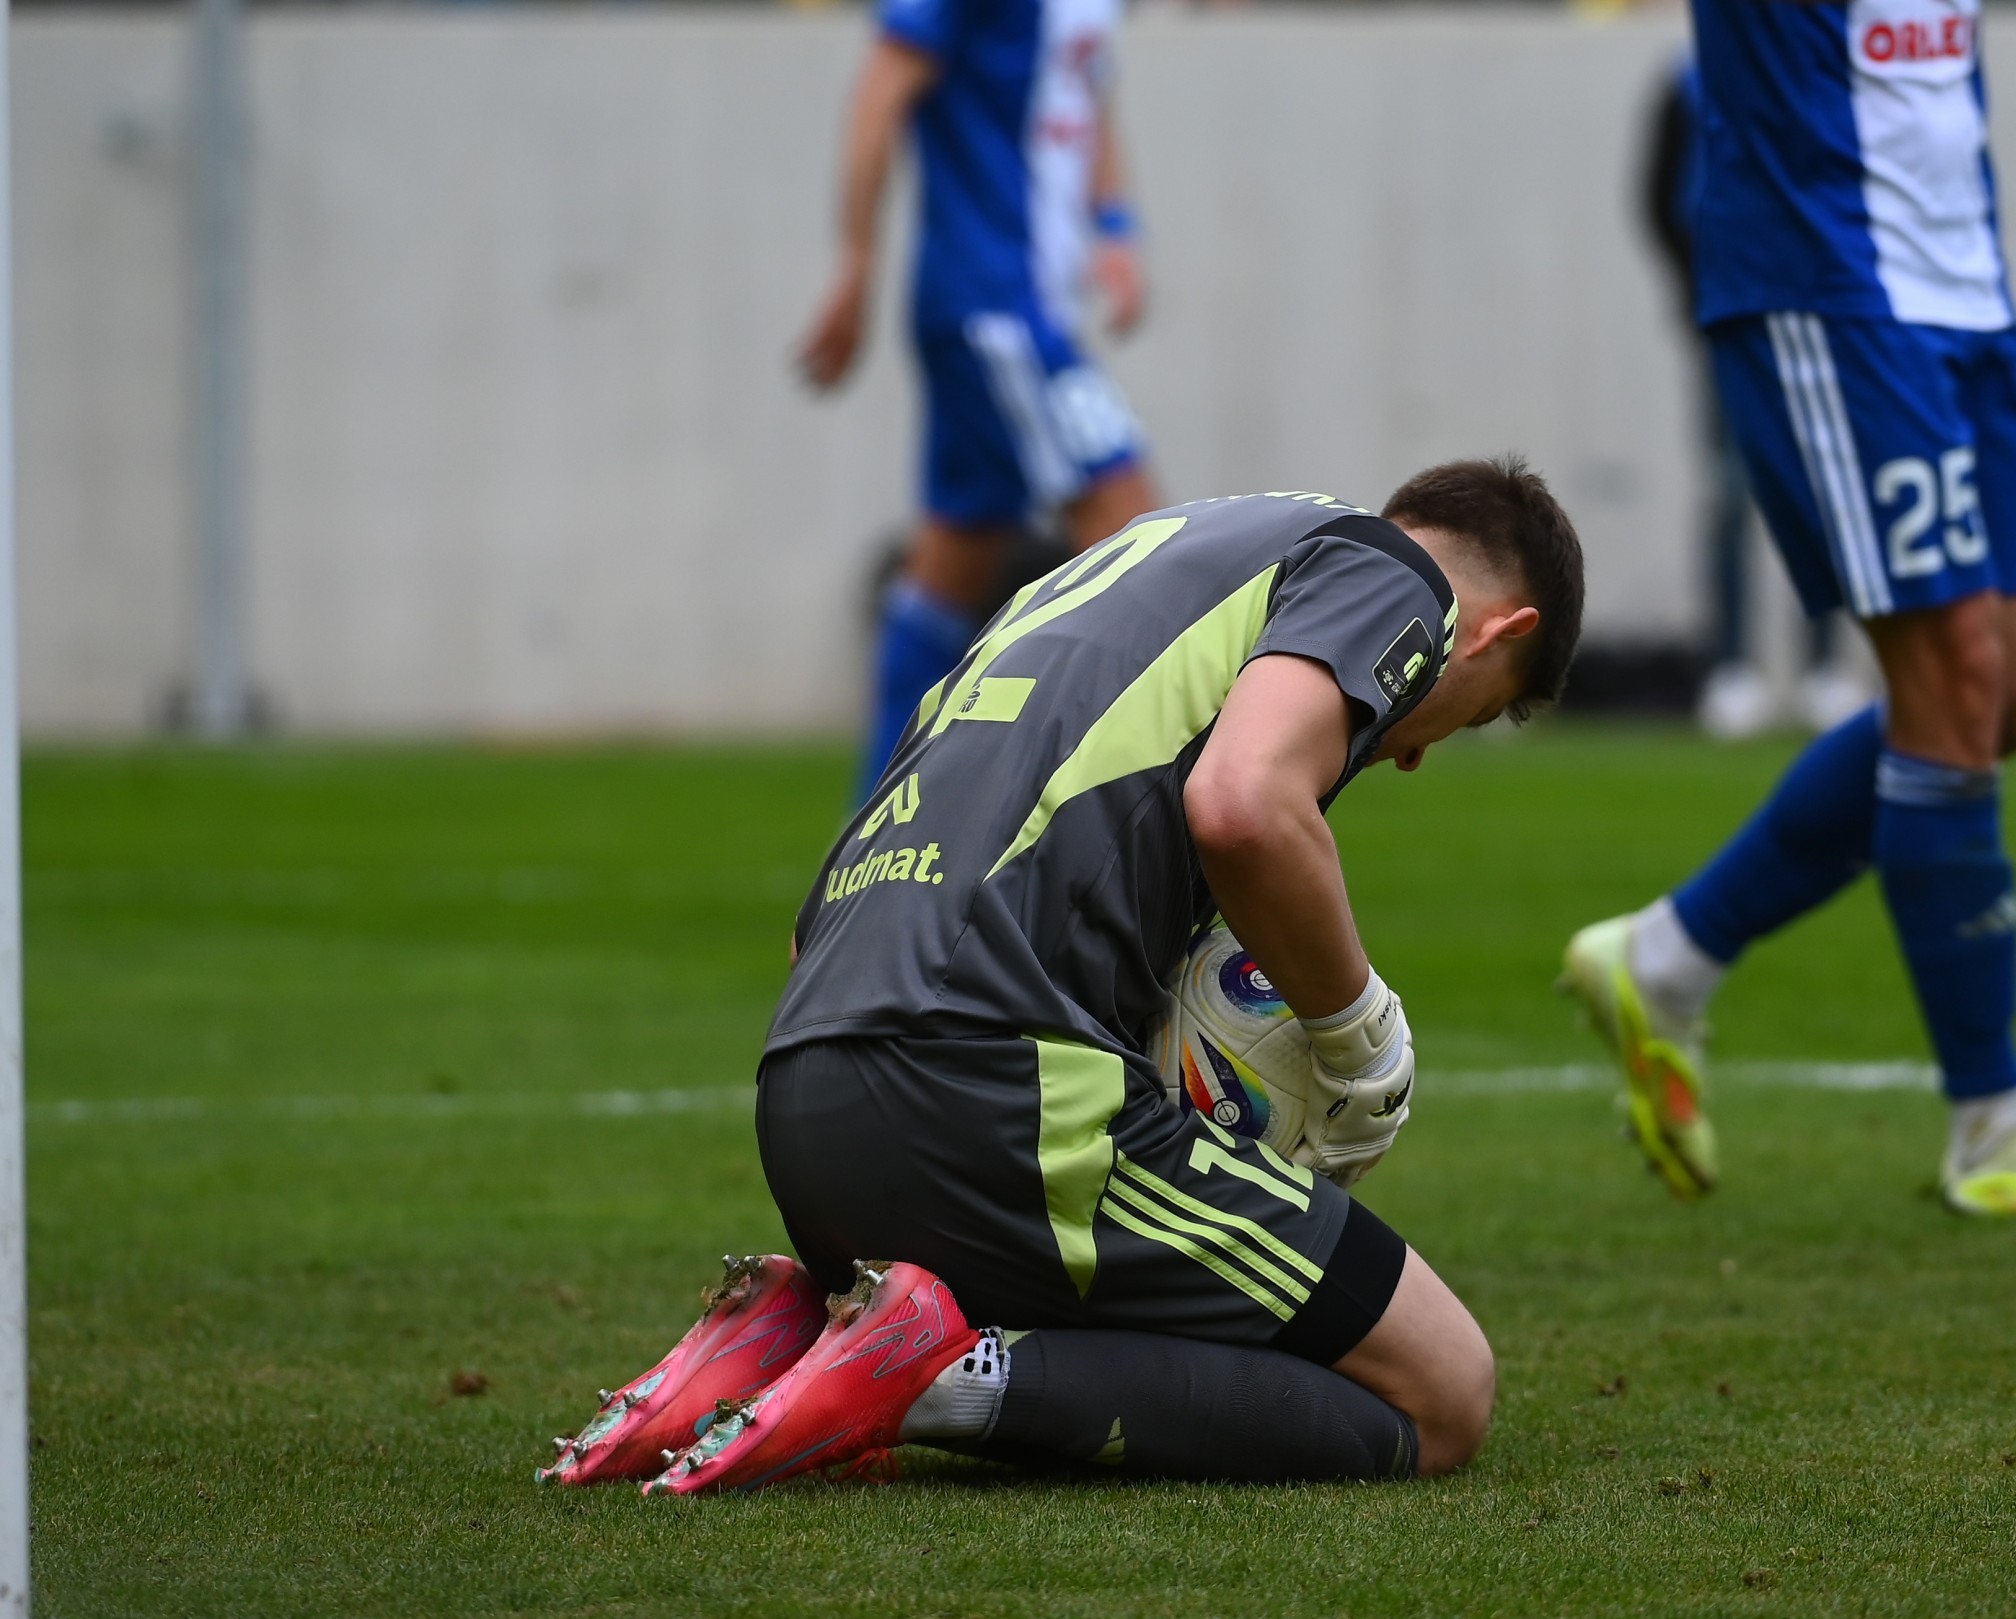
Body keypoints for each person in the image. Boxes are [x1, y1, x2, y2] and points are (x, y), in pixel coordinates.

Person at [541, 462, 1585, 1492]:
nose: (1414, 754)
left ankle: (794, 1336)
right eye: (1472, 716)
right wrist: (1361, 1040)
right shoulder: (1392, 576)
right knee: (1444, 1392)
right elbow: (1245, 803)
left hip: (806, 1114)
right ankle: (933, 1379)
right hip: (989, 1106)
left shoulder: (1117, 571)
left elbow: (809, 937)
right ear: (1500, 633)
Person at [1561, 0, 2016, 1218]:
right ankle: (1993, 1120)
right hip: (1832, 287)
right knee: (1953, 675)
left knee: (2009, 699)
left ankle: (1666, 958)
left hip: (1972, 294)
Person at [798, 0, 1159, 807]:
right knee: (1150, 554)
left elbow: (1085, 86)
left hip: (1022, 310)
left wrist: (1115, 228)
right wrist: (855, 266)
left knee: (951, 566)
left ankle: (870, 840)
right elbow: (885, 83)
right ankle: (1162, 835)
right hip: (993, 307)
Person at [1642, 57, 1867, 739]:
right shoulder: (1688, 82)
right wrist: (1702, 292)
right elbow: (1657, 200)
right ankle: (1733, 668)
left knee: (1821, 489)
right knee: (1731, 491)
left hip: (1814, 320)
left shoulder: (1817, 76)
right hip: (1730, 322)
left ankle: (1825, 668)